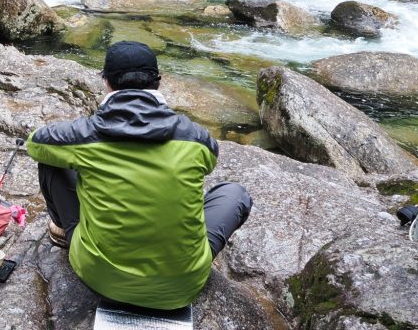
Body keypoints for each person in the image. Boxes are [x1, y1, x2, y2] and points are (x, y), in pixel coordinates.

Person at [26, 40, 252, 311]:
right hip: (183, 286)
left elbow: (35, 144)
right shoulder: (196, 138)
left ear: (106, 82)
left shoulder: (86, 134)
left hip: (100, 279)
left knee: (52, 161)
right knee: (234, 193)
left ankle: (65, 232)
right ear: (158, 82)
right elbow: (210, 160)